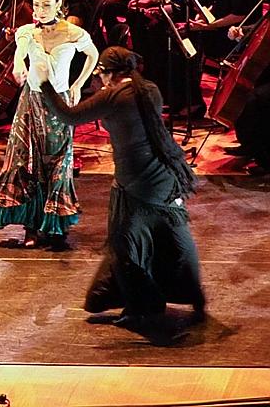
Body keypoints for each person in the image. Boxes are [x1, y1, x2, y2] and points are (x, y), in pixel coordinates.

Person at [37, 47, 206, 331]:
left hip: (136, 184)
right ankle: (193, 296)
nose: (100, 80)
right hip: (165, 178)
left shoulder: (113, 97)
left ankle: (144, 306)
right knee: (173, 237)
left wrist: (44, 84)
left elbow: (67, 115)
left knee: (124, 247)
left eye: (101, 74)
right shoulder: (149, 89)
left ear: (110, 73)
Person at [0, 0, 99, 249]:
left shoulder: (73, 32)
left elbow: (93, 54)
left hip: (58, 105)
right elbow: (19, 54)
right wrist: (18, 66)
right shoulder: (28, 32)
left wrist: (78, 84)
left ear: (59, 5)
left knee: (58, 163)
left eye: (46, 5)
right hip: (32, 102)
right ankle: (32, 226)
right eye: (36, 5)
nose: (39, 10)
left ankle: (55, 225)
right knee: (27, 162)